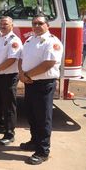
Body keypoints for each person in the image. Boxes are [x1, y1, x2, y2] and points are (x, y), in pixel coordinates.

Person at [19, 15, 63, 165]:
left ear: (47, 25)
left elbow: (49, 63)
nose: (37, 25)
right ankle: (34, 141)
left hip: (44, 84)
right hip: (29, 82)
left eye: (40, 23)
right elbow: (21, 58)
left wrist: (27, 75)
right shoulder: (30, 40)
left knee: (43, 118)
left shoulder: (52, 41)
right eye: (34, 23)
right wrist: (21, 74)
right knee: (31, 114)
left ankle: (43, 151)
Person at [0, 16, 22, 145]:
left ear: (12, 25)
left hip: (9, 76)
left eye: (5, 24)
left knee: (9, 106)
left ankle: (9, 133)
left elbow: (12, 60)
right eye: (1, 24)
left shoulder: (14, 40)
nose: (2, 26)